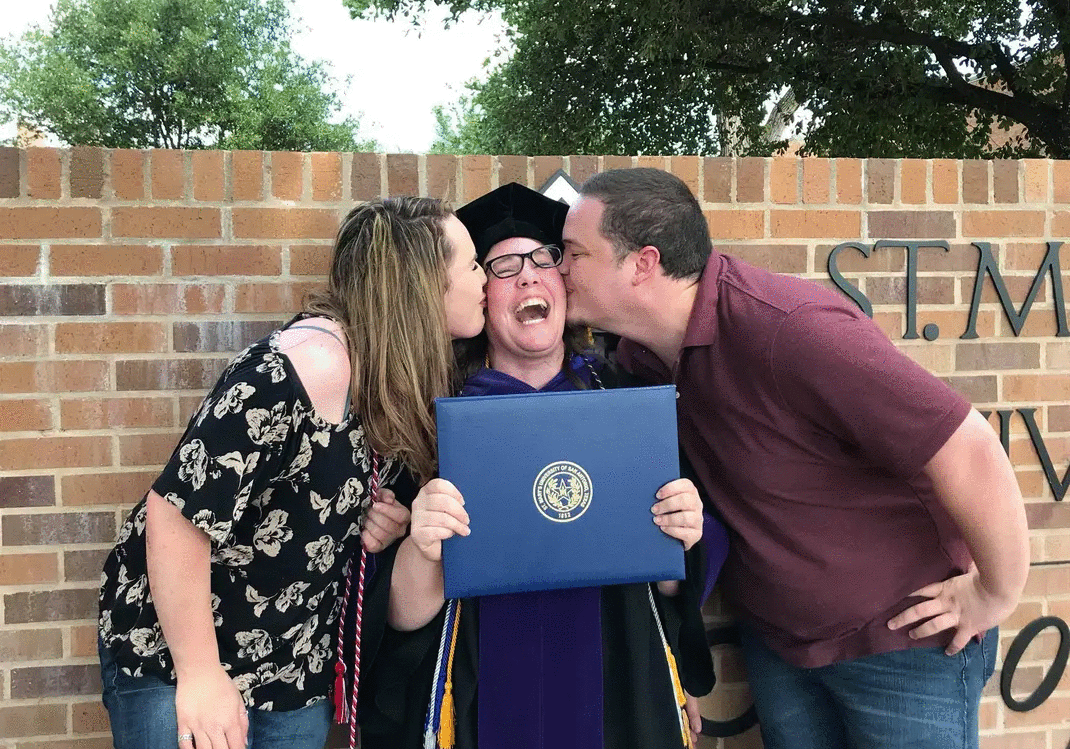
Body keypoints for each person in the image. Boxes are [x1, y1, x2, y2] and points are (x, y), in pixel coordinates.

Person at [557, 167, 1030, 749]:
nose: (559, 268)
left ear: (643, 263)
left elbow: (969, 446)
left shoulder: (788, 329)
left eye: (574, 253)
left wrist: (997, 592)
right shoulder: (639, 360)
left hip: (903, 647)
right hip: (782, 650)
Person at [98, 197, 488, 749]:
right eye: (471, 265)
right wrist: (202, 677)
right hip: (182, 656)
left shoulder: (384, 372)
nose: (485, 279)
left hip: (291, 668)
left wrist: (376, 523)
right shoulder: (303, 365)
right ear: (423, 284)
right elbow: (177, 513)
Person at [358, 183, 728, 749]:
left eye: (546, 258)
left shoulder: (631, 406)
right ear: (481, 295)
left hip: (621, 685)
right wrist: (416, 544)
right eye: (503, 266)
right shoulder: (430, 425)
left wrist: (683, 535)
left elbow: (676, 580)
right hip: (480, 691)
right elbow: (401, 617)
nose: (528, 276)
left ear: (566, 281)